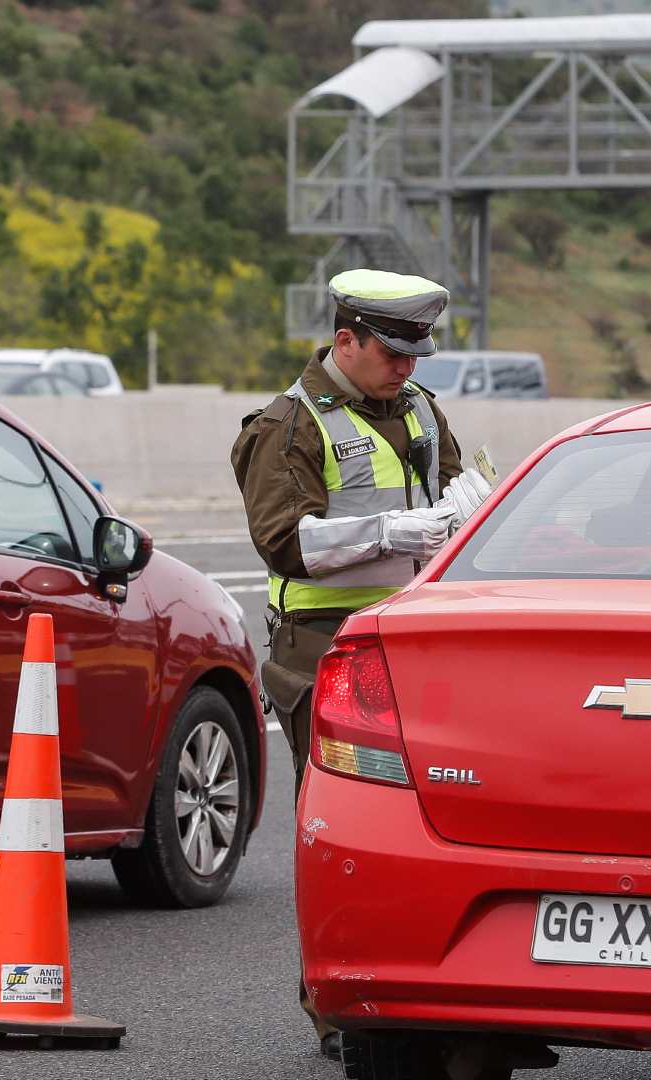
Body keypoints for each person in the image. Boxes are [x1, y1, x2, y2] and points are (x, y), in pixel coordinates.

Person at [230, 268, 493, 1058]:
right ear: (344, 341)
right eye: (391, 352)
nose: (407, 369)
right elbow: (285, 542)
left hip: (418, 640)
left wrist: (474, 514)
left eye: (416, 354)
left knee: (434, 824)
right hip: (327, 651)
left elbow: (455, 491)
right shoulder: (286, 425)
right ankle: (335, 1009)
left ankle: (431, 988)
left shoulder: (417, 409)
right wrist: (403, 533)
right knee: (340, 831)